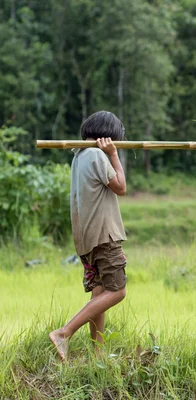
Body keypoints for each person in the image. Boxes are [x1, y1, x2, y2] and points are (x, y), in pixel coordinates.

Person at [49, 111, 128, 360]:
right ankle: (64, 332)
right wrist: (114, 155)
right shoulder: (97, 155)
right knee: (118, 291)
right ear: (107, 137)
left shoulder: (79, 155)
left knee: (99, 292)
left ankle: (98, 354)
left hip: (85, 239)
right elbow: (121, 188)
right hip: (104, 235)